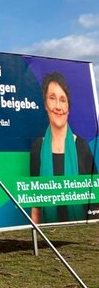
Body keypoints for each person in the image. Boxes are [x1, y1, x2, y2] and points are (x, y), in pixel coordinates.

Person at [30, 72, 97, 223]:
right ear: (45, 104)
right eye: (52, 98)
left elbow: (95, 195)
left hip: (80, 235)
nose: (58, 106)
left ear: (69, 108)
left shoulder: (81, 146)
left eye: (63, 100)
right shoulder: (37, 148)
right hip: (49, 235)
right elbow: (35, 205)